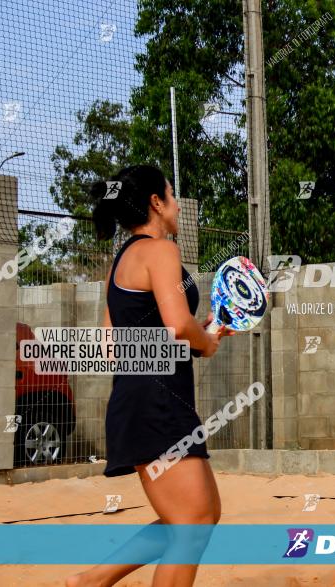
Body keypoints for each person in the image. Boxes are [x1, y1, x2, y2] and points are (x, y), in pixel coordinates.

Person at [67, 165, 232, 587]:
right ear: (156, 203)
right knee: (192, 524)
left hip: (139, 398)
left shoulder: (121, 259)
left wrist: (202, 333)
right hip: (156, 403)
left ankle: (94, 579)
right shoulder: (162, 250)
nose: (176, 204)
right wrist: (203, 341)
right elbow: (177, 325)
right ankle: (93, 580)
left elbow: (113, 345)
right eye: (172, 195)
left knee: (202, 515)